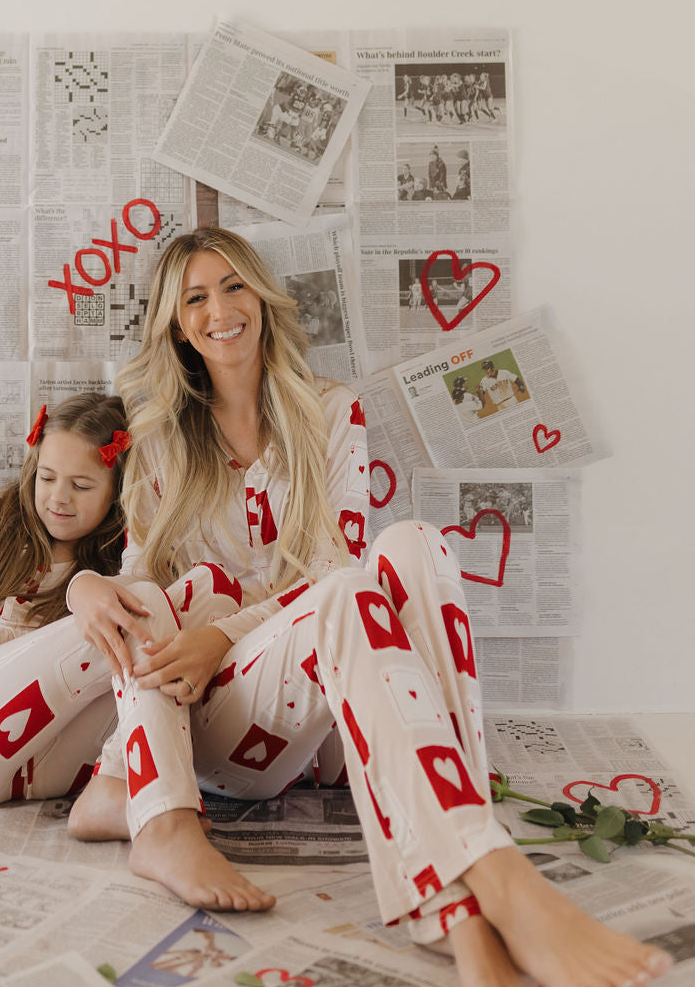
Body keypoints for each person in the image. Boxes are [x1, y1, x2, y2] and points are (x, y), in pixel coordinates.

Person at [67, 229, 672, 987]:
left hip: (319, 713)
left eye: (233, 286)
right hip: (217, 721)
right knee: (338, 589)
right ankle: (496, 879)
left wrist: (225, 631)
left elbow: (331, 570)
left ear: (260, 296)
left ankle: (467, 916)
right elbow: (137, 587)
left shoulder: (331, 412)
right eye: (195, 297)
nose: (219, 309)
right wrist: (79, 585)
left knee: (412, 543)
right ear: (176, 324)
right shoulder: (157, 438)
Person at [0, 393, 245, 815]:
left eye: (81, 486)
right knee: (138, 608)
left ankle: (121, 792)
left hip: (46, 763)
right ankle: (159, 804)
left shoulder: (113, 567)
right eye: (47, 478)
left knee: (207, 591)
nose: (58, 498)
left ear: (116, 492)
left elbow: (48, 654)